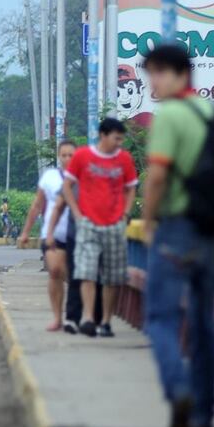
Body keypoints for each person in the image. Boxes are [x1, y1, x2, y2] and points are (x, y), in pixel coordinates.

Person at [140, 44, 214, 427]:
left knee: (161, 317)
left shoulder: (171, 117)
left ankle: (179, 390)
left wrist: (147, 220)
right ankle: (205, 413)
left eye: (159, 73)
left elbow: (158, 176)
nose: (153, 83)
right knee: (203, 323)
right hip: (213, 233)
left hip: (177, 230)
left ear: (181, 74)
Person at [50, 117, 138, 338]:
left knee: (111, 277)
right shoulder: (83, 157)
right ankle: (88, 317)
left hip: (114, 225)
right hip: (88, 224)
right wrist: (78, 214)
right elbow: (67, 187)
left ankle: (106, 321)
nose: (119, 143)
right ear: (103, 135)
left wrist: (125, 214)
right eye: (116, 138)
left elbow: (131, 189)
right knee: (86, 272)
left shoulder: (124, 159)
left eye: (121, 139)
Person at [19, 140, 77, 331]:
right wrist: (26, 232)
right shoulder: (50, 177)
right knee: (55, 271)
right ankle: (57, 317)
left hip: (77, 233)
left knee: (74, 277)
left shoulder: (83, 176)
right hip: (52, 234)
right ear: (59, 157)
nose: (67, 159)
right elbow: (37, 205)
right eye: (64, 155)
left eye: (71, 155)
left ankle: (74, 316)